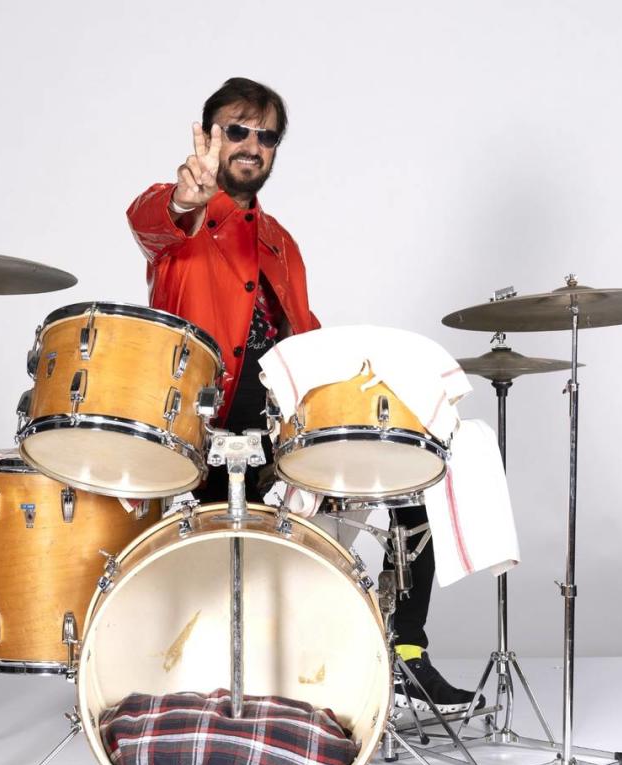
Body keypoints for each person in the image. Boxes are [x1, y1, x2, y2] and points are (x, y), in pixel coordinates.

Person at [127, 77, 480, 714]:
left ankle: (405, 655)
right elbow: (153, 222)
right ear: (209, 137)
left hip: (277, 433)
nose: (252, 146)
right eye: (237, 130)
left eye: (267, 136)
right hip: (201, 435)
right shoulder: (180, 213)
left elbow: (306, 343)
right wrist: (186, 196)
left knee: (405, 475)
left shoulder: (281, 242)